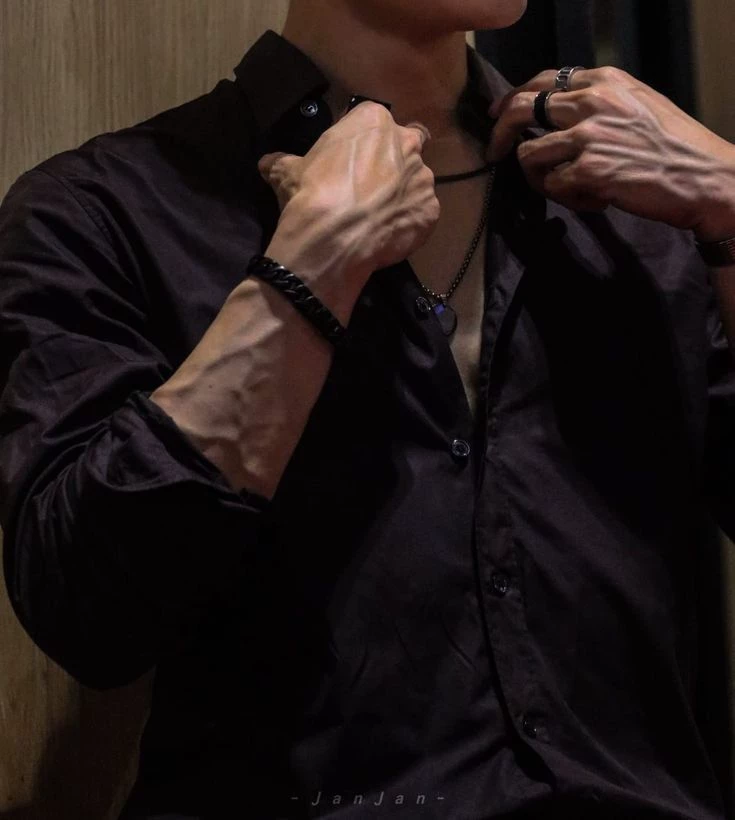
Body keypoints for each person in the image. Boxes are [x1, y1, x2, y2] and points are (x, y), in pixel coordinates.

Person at [1, 0, 735, 816]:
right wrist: (313, 268)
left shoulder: (635, 192)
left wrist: (730, 203)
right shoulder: (104, 211)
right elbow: (90, 618)